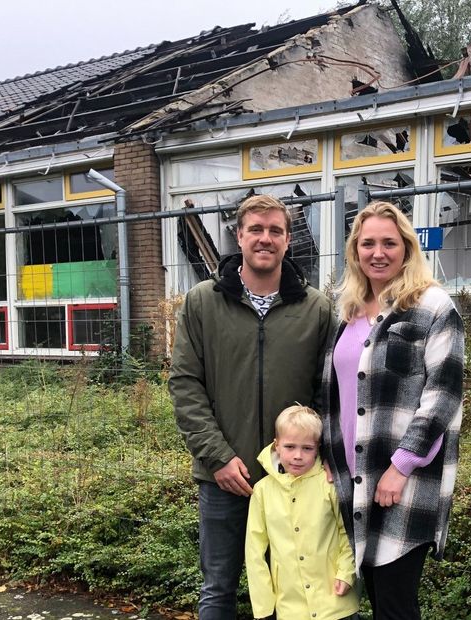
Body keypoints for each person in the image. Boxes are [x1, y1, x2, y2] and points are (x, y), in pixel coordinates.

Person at [169, 194, 334, 620]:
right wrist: (218, 457)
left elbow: (326, 391)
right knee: (218, 588)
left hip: (292, 481)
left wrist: (308, 459)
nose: (265, 238)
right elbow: (186, 385)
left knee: (290, 587)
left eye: (275, 230)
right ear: (239, 236)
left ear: (287, 239)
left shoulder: (316, 308)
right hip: (223, 477)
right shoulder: (202, 302)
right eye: (255, 230)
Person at [320, 201, 465, 619]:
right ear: (354, 250)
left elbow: (443, 395)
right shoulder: (345, 311)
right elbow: (331, 391)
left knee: (397, 605)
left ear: (406, 248)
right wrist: (328, 458)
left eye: (389, 242)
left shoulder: (433, 306)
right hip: (352, 477)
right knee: (377, 601)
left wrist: (400, 466)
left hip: (402, 481)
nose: (377, 252)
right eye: (368, 243)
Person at [245, 405, 359, 620]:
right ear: (276, 445)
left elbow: (350, 533)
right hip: (289, 607)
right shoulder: (262, 491)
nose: (298, 456)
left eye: (307, 448)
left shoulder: (330, 485)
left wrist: (346, 574)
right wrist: (264, 607)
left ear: (318, 448)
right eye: (290, 446)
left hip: (335, 603)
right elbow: (254, 551)